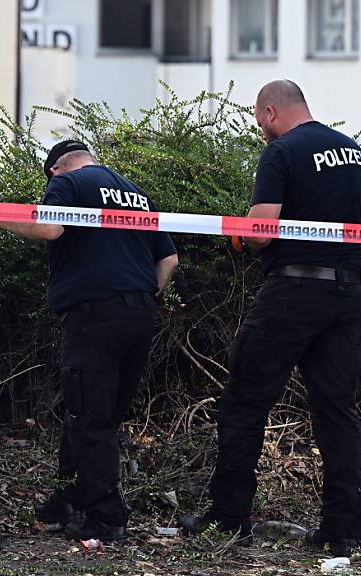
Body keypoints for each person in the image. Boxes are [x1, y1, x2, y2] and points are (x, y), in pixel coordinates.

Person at [182, 80, 361, 556]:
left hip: (295, 289)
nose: (260, 128)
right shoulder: (354, 152)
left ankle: (230, 517)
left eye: (259, 120)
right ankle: (343, 528)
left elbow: (262, 228)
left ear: (270, 112)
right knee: (336, 409)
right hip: (348, 295)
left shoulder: (282, 152)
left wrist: (237, 234)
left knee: (245, 398)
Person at [0, 140, 178, 540]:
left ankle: (106, 519)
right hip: (140, 313)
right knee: (91, 411)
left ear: (55, 170)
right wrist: (135, 299)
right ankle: (70, 498)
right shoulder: (135, 193)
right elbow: (169, 260)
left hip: (95, 315)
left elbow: (49, 226)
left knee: (90, 416)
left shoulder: (69, 183)